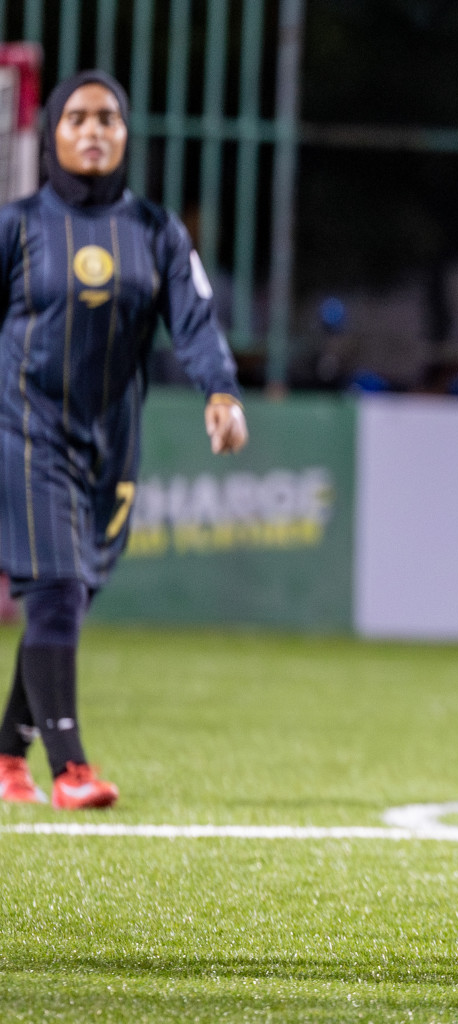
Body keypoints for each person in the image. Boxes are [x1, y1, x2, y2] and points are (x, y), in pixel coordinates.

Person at [0, 71, 247, 809]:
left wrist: (221, 391)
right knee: (56, 587)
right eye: (77, 117)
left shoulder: (155, 231)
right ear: (53, 134)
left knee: (68, 597)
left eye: (108, 117)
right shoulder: (16, 226)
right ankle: (71, 768)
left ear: (126, 134)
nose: (94, 129)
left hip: (111, 443)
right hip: (24, 428)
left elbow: (195, 320)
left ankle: (8, 756)